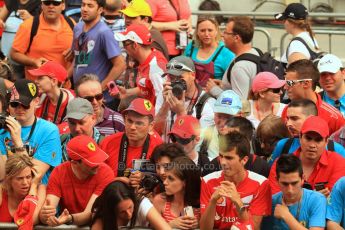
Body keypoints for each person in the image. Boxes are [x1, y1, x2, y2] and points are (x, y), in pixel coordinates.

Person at [200, 132, 271, 230]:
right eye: (221, 156)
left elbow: (253, 227)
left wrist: (238, 202)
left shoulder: (261, 184)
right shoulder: (207, 181)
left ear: (244, 160)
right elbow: (204, 228)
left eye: (229, 158)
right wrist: (212, 201)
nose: (223, 162)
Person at [39, 135, 114, 227]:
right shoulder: (59, 172)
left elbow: (89, 214)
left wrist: (70, 218)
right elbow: (49, 209)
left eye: (97, 157)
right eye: (91, 161)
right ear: (74, 163)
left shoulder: (106, 173)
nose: (98, 163)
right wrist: (45, 216)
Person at [0, 79, 62, 184]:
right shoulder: (3, 129)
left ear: (36, 102)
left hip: (36, 194)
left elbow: (34, 176)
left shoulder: (49, 131)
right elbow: (2, 176)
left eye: (25, 104)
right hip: (9, 192)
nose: (19, 108)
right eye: (15, 104)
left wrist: (18, 142)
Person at [269, 116, 345, 195]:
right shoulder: (280, 163)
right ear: (300, 138)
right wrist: (315, 198)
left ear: (326, 142)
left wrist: (295, 197)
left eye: (318, 140)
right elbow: (275, 199)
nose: (312, 145)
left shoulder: (339, 163)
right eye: (308, 138)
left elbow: (334, 200)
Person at [71, 0, 125, 103]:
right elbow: (77, 57)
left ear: (100, 10)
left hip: (100, 100)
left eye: (90, 6)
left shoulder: (104, 32)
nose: (84, 9)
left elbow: (120, 65)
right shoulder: (78, 27)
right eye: (83, 5)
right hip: (81, 95)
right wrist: (64, 77)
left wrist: (101, 88)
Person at [154, 56, 216, 141]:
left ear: (193, 75)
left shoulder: (207, 103)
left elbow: (198, 142)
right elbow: (155, 132)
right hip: (165, 152)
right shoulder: (164, 94)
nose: (175, 82)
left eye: (180, 78)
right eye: (171, 78)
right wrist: (165, 105)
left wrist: (181, 113)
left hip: (186, 153)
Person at [10, 0, 74, 79]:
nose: (51, 6)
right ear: (42, 5)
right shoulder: (28, 25)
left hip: (63, 86)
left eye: (56, 3)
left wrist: (73, 51)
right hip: (36, 87)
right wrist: (34, 62)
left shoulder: (71, 23)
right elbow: (14, 54)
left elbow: (80, 52)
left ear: (63, 5)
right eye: (47, 3)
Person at [269, 99, 345, 166]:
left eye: (294, 119)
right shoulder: (283, 145)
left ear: (311, 118)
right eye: (288, 118)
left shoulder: (336, 149)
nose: (288, 124)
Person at [100, 98, 162, 177]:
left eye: (139, 123)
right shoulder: (108, 142)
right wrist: (116, 181)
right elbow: (98, 178)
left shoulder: (158, 147)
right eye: (129, 121)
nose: (132, 127)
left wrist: (143, 178)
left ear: (151, 126)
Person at [283, 59, 345, 135]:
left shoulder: (334, 118)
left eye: (289, 83)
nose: (285, 87)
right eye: (285, 82)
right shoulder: (287, 110)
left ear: (306, 83)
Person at [265, 154, 326, 229]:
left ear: (303, 178)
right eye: (285, 184)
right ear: (277, 180)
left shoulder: (317, 199)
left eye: (294, 183)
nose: (290, 190)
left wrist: (287, 216)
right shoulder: (271, 202)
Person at [114, 23, 167, 109]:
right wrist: (126, 92)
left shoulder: (155, 67)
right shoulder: (147, 58)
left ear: (135, 45)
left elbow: (163, 101)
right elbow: (146, 87)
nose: (123, 48)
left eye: (124, 44)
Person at [208, 16, 259, 99]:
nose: (222, 35)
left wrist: (214, 90)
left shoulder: (240, 67)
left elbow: (239, 103)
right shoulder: (255, 52)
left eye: (226, 32)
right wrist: (226, 84)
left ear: (236, 38)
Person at [91, 180, 171, 229]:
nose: (129, 214)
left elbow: (165, 228)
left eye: (130, 207)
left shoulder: (142, 204)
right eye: (122, 212)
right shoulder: (102, 213)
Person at [153, 156, 201, 229]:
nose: (165, 182)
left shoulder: (201, 202)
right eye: (166, 177)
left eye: (171, 179)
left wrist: (199, 225)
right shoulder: (160, 200)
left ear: (185, 182)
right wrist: (170, 225)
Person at [0, 154, 45, 229]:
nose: (25, 182)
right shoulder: (1, 190)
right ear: (9, 179)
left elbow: (31, 219)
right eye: (19, 178)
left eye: (28, 177)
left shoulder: (40, 189)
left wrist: (33, 185)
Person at [184, 16, 234, 81]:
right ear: (197, 32)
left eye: (210, 30)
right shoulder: (191, 46)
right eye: (202, 30)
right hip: (191, 90)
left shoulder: (226, 52)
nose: (206, 34)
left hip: (213, 90)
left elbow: (231, 80)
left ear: (216, 31)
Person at [196, 90, 242, 160]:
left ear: (240, 116)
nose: (223, 123)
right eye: (219, 116)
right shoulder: (202, 136)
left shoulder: (250, 138)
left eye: (228, 117)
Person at [59, 97, 104, 161]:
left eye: (81, 122)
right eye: (72, 123)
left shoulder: (105, 144)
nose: (77, 128)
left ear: (93, 119)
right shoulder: (59, 142)